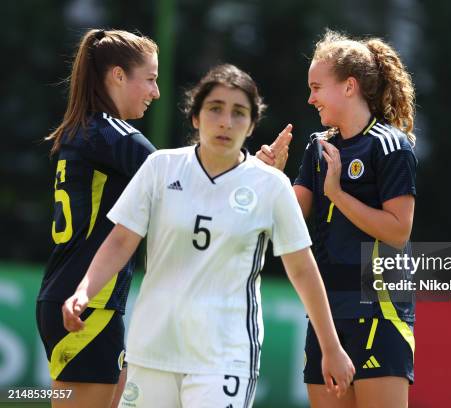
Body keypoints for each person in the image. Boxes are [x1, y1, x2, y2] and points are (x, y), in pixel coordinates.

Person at [62, 64, 355, 408]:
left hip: (225, 356)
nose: (226, 122)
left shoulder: (270, 185)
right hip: (153, 350)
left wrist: (331, 347)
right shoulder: (160, 168)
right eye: (215, 109)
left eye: (239, 113)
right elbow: (121, 240)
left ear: (251, 125)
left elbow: (303, 270)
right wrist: (84, 291)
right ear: (196, 117)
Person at [259, 29, 417, 407]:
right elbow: (287, 218)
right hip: (327, 317)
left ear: (349, 87)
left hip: (379, 310)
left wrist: (337, 195)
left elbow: (398, 231)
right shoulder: (319, 147)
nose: (310, 98)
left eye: (317, 87)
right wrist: (270, 178)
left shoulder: (390, 145)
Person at [36, 29, 160, 408]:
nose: (155, 92)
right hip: (88, 303)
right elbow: (181, 183)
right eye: (150, 79)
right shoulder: (116, 137)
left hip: (77, 296)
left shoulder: (82, 131)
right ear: (118, 75)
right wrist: (250, 171)